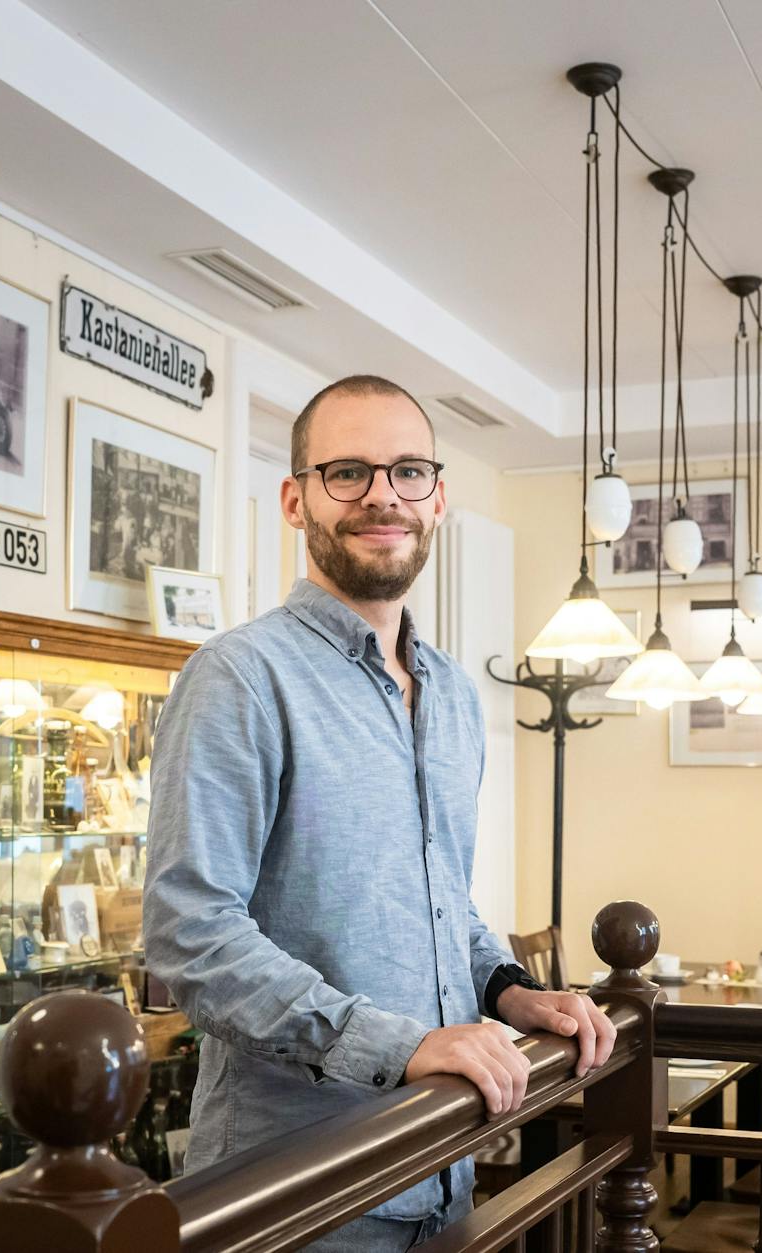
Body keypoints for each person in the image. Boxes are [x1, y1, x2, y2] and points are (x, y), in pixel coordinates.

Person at [145, 375, 615, 1250]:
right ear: (296, 498)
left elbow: (442, 907)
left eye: (406, 472)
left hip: (443, 1163)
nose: (380, 498)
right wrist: (398, 1046)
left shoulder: (456, 697)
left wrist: (511, 990)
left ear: (438, 497)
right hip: (297, 1191)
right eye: (348, 472)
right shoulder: (240, 677)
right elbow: (189, 935)